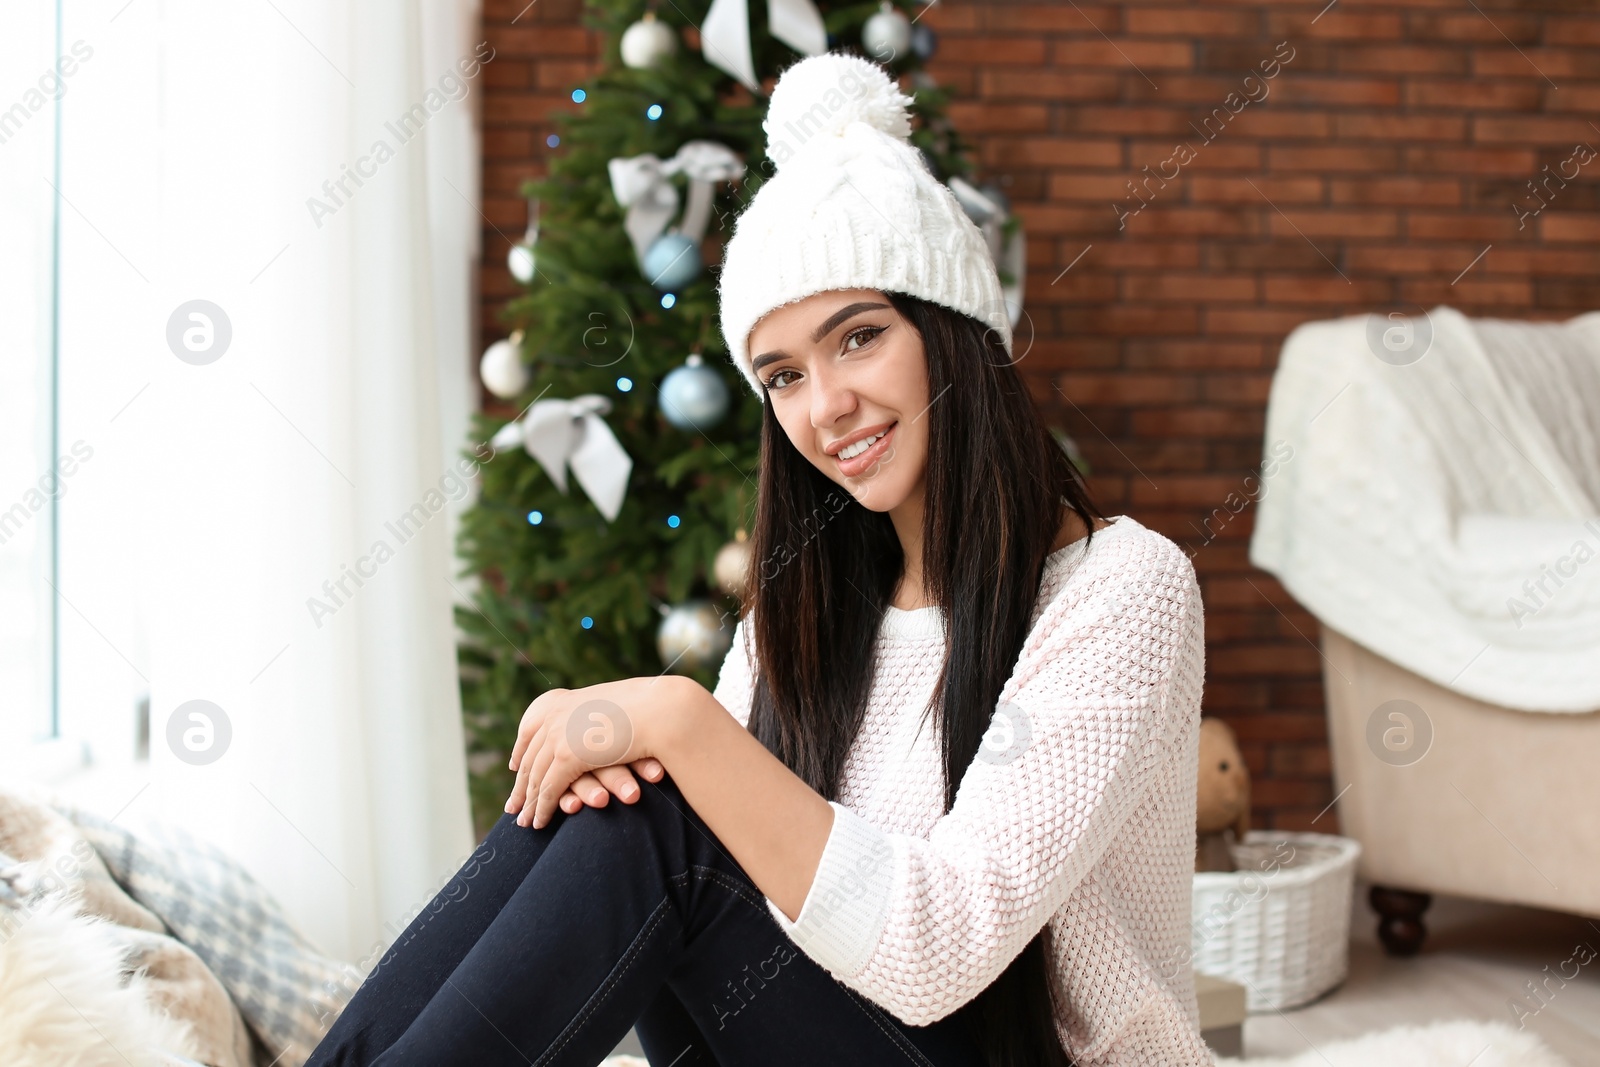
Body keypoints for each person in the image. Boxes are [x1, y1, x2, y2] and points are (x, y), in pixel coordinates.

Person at [306, 51, 1213, 1067]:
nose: (824, 407)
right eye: (782, 376)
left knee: (664, 798)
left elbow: (938, 946)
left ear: (953, 334)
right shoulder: (805, 611)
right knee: (629, 790)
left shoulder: (1121, 588)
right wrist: (635, 741)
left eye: (859, 337)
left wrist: (677, 715)